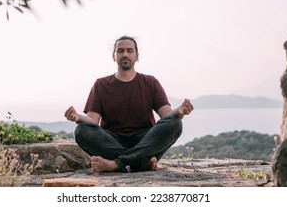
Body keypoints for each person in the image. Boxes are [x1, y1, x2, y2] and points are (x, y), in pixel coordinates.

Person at [64, 36, 194, 173]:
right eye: (120, 51)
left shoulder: (150, 82)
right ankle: (140, 163)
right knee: (81, 131)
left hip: (145, 141)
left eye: (129, 50)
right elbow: (92, 122)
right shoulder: (101, 85)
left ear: (136, 55)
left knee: (175, 123)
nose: (125, 54)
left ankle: (116, 164)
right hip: (112, 142)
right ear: (114, 56)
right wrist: (78, 117)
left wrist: (179, 111)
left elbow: (167, 116)